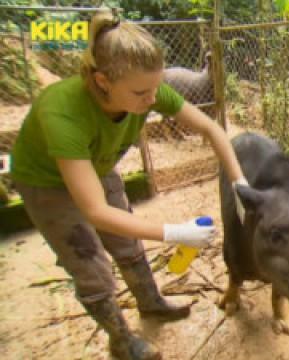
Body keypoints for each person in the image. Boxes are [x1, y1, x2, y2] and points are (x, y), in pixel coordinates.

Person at [10, 9, 249, 360]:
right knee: (90, 263)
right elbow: (95, 212)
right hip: (47, 183)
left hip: (97, 162)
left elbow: (211, 129)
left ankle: (151, 302)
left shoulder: (146, 90)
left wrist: (239, 182)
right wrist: (173, 232)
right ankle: (121, 340)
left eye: (156, 87)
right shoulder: (62, 113)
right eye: (141, 92)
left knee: (127, 241)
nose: (153, 100)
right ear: (103, 82)